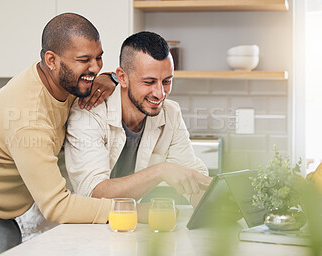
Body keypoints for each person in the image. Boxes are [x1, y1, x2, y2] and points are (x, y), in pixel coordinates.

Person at [0, 13, 118, 256]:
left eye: (99, 58)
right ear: (51, 60)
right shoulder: (28, 117)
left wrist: (110, 78)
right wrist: (125, 209)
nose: (95, 67)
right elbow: (57, 206)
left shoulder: (62, 81)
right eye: (84, 60)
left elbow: (95, 78)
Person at [65, 31, 212, 205]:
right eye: (149, 82)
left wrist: (219, 198)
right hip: (79, 226)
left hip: (127, 222)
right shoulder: (88, 113)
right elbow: (92, 193)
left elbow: (193, 181)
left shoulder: (170, 113)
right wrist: (161, 171)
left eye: (166, 81)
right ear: (122, 78)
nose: (160, 94)